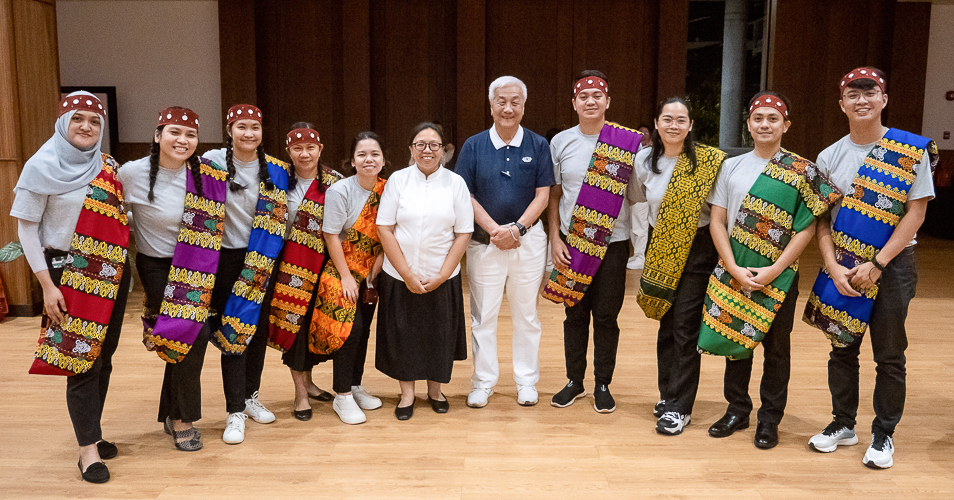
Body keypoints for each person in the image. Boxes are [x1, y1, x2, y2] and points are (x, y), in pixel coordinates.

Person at [803, 68, 937, 469]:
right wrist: (831, 264)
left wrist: (878, 264)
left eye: (870, 92)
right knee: (841, 347)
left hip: (892, 266)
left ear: (884, 99)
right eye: (853, 94)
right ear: (841, 103)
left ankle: (884, 434)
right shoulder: (829, 155)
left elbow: (916, 213)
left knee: (889, 354)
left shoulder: (908, 150)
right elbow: (822, 218)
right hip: (842, 264)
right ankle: (843, 424)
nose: (862, 100)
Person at [698, 92, 841, 449]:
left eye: (773, 119)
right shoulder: (730, 167)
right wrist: (732, 266)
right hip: (734, 269)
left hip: (781, 276)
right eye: (758, 118)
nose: (765, 124)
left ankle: (769, 419)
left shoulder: (803, 170)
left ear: (786, 125)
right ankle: (737, 409)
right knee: (737, 343)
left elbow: (807, 226)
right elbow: (717, 221)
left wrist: (776, 268)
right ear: (748, 124)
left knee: (777, 350)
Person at [12, 91, 131, 483]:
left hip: (110, 272)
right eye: (78, 119)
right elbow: (27, 230)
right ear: (63, 123)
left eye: (94, 122)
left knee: (106, 356)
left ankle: (92, 433)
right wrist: (47, 285)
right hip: (68, 274)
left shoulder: (106, 165)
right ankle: (87, 453)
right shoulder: (39, 166)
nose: (86, 127)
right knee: (81, 360)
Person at [122, 106, 225, 454]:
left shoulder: (206, 175)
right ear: (157, 135)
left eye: (190, 135)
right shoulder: (131, 174)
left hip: (195, 264)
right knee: (194, 336)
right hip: (156, 266)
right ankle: (184, 420)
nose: (182, 140)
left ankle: (171, 412)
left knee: (184, 335)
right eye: (174, 133)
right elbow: (111, 215)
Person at [544, 70, 642, 413]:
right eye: (583, 97)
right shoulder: (561, 142)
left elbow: (635, 196)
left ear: (607, 101)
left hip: (614, 243)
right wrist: (555, 237)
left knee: (606, 315)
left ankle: (603, 383)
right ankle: (575, 381)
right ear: (574, 103)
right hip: (574, 242)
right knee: (574, 314)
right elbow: (554, 196)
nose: (590, 101)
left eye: (597, 96)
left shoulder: (626, 143)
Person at [455, 76, 553, 408]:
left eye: (515, 102)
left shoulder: (539, 145)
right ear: (491, 104)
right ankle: (483, 382)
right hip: (485, 244)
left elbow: (543, 196)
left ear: (524, 106)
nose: (508, 108)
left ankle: (526, 381)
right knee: (483, 315)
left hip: (528, 241)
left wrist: (518, 230)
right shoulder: (473, 145)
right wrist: (495, 230)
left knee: (527, 314)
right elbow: (463, 195)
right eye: (501, 101)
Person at [630, 98, 726, 435]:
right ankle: (667, 394)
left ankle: (680, 407)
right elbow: (639, 199)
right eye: (667, 119)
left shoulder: (710, 162)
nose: (673, 125)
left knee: (686, 325)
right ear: (656, 124)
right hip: (662, 246)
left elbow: (720, 210)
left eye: (680, 119)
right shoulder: (644, 161)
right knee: (666, 321)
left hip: (698, 249)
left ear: (690, 125)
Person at [202, 105, 291, 444]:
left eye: (255, 126)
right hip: (225, 258)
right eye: (242, 126)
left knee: (257, 329)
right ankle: (233, 410)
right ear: (229, 130)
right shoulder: (210, 163)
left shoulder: (277, 171)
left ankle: (250, 395)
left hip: (264, 260)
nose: (249, 133)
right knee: (232, 333)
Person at [375, 122, 473, 421]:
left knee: (439, 334)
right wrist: (406, 273)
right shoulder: (398, 180)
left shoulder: (455, 183)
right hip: (400, 275)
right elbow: (385, 227)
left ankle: (435, 390)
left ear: (444, 150)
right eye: (420, 144)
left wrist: (443, 274)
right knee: (403, 334)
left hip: (442, 276)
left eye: (434, 145)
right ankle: (407, 393)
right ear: (411, 149)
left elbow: (464, 232)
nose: (427, 150)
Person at [309, 131, 388, 424]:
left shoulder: (388, 189)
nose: (369, 160)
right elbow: (330, 235)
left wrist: (372, 274)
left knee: (364, 330)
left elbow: (389, 235)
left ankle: (355, 385)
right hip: (340, 270)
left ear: (383, 160)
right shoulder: (340, 190)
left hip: (373, 271)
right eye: (362, 155)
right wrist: (346, 277)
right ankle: (341, 396)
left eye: (374, 154)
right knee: (350, 330)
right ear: (352, 161)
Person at [266, 124, 342, 421]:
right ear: (288, 152)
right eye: (297, 148)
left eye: (311, 147)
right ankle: (299, 392)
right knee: (293, 325)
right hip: (285, 264)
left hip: (322, 263)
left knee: (313, 324)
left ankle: (309, 383)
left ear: (320, 150)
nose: (304, 153)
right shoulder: (276, 180)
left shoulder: (335, 182)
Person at [628, 125, 653, 270]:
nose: (643, 134)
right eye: (640, 132)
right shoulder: (633, 147)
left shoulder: (653, 151)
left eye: (646, 132)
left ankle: (640, 256)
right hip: (634, 191)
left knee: (640, 224)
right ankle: (638, 255)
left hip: (646, 192)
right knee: (636, 223)